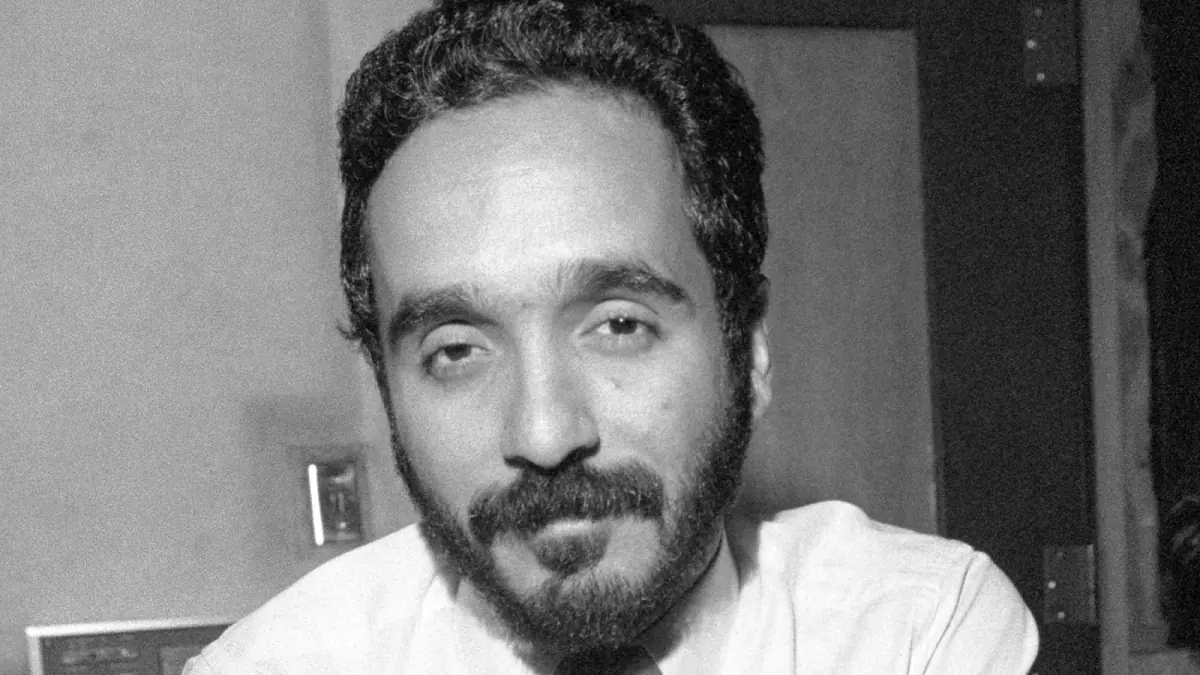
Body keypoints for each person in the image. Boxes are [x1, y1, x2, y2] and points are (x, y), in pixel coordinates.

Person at [185, 0, 1039, 672]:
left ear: (747, 345)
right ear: (386, 386)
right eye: (456, 351)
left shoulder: (919, 632)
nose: (544, 433)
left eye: (619, 325)